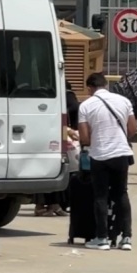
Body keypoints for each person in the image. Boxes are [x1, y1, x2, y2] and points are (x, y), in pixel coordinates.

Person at [77, 73, 136, 251]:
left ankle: (102, 238)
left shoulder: (86, 106)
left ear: (90, 88)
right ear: (105, 85)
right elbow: (132, 129)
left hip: (100, 156)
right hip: (121, 154)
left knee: (101, 197)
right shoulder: (124, 101)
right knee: (121, 194)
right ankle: (126, 237)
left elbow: (84, 138)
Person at [35, 80, 81, 217]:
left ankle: (53, 204)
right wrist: (69, 131)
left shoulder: (60, 100)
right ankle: (42, 205)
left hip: (54, 140)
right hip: (48, 141)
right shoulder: (46, 104)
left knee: (55, 171)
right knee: (49, 172)